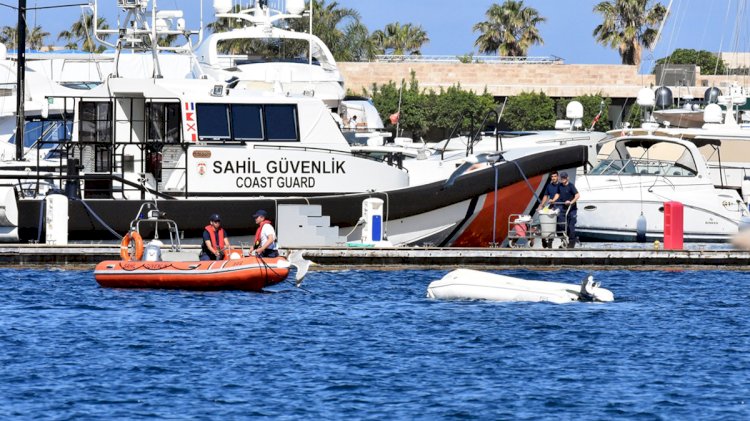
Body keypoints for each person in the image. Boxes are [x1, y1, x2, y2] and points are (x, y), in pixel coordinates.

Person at [555, 172, 580, 248]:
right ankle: (564, 240)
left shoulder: (571, 186)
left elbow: (577, 195)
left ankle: (572, 241)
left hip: (571, 209)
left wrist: (571, 202)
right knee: (560, 224)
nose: (563, 179)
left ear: (567, 178)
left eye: (564, 178)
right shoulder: (559, 186)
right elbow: (557, 194)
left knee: (570, 225)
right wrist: (553, 200)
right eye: (561, 178)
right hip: (563, 208)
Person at [538, 171, 561, 248]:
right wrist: (541, 205)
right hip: (550, 206)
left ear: (558, 177)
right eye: (552, 176)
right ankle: (543, 239)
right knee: (542, 219)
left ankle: (550, 242)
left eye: (555, 176)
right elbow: (545, 196)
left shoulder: (561, 186)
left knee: (555, 225)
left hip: (558, 207)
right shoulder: (549, 186)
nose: (553, 178)